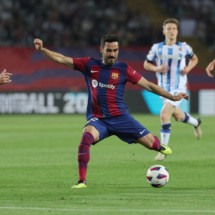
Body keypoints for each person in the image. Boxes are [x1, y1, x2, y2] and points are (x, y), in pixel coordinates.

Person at [34, 34, 189, 188]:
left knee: (151, 144)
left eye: (115, 50)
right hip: (99, 120)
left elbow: (148, 85)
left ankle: (159, 146)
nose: (112, 54)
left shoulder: (124, 69)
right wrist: (42, 49)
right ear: (101, 49)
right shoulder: (89, 64)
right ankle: (82, 181)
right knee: (86, 138)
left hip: (122, 118)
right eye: (109, 50)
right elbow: (62, 59)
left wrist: (172, 97)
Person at [144, 18, 202, 161]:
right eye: (168, 28)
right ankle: (196, 123)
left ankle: (163, 150)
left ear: (177, 31)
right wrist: (156, 68)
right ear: (163, 31)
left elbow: (194, 59)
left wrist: (187, 69)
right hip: (163, 89)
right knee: (177, 116)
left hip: (179, 88)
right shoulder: (156, 48)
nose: (171, 31)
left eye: (174, 29)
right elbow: (146, 64)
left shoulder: (184, 47)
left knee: (164, 114)